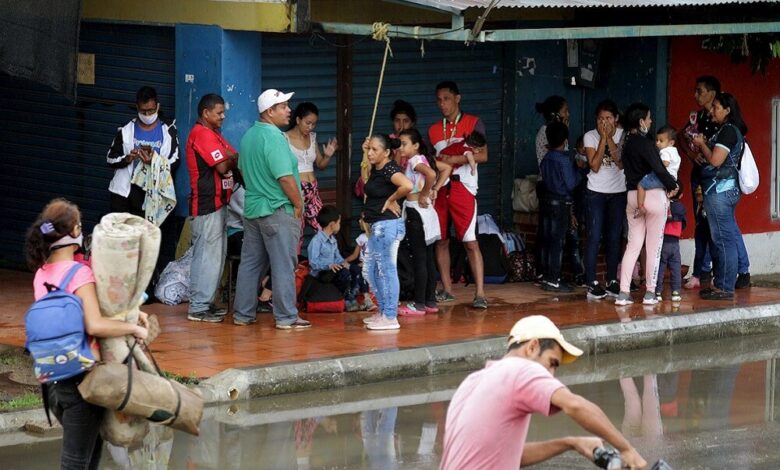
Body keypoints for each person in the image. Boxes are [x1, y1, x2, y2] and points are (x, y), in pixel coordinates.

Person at [25, 198, 149, 470]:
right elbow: (95, 325)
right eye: (80, 226)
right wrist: (133, 327)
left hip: (53, 381)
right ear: (73, 233)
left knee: (89, 457)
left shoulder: (41, 273)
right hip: (83, 380)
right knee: (76, 463)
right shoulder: (79, 273)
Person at [440, 315, 647, 470]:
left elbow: (508, 456)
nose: (552, 374)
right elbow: (575, 405)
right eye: (551, 362)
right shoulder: (521, 369)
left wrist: (571, 443)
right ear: (532, 347)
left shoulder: (473, 381)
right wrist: (626, 448)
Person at [233, 89, 309, 328]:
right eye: (283, 106)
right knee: (284, 264)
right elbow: (285, 177)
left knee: (250, 263)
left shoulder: (248, 136)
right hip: (277, 210)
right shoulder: (274, 138)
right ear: (270, 111)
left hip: (253, 209)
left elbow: (243, 171)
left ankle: (242, 314)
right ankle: (286, 317)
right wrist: (298, 204)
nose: (289, 110)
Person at [428, 81, 489, 309]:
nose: (442, 104)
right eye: (439, 99)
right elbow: (430, 161)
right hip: (441, 187)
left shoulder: (473, 122)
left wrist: (455, 160)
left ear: (457, 98)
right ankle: (447, 289)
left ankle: (480, 293)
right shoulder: (433, 129)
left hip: (464, 187)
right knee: (441, 240)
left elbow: (483, 156)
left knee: (470, 242)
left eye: (446, 98)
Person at [615, 103, 679, 306]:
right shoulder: (646, 144)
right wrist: (673, 185)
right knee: (653, 247)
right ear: (641, 121)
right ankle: (650, 292)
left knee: (632, 246)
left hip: (632, 196)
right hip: (653, 197)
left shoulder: (626, 145)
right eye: (649, 118)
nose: (651, 122)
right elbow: (659, 169)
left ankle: (623, 293)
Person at [185, 93, 238, 322]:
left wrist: (230, 157)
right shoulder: (202, 135)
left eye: (223, 112)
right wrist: (229, 158)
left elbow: (233, 155)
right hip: (207, 204)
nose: (223, 116)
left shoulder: (214, 135)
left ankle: (203, 303)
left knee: (214, 255)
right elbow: (224, 164)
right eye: (219, 113)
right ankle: (198, 307)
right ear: (205, 113)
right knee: (207, 256)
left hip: (218, 203)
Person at [693, 92, 748, 299]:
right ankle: (722, 284)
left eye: (716, 106)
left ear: (727, 110)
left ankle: (725, 287)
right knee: (724, 238)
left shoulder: (727, 132)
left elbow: (716, 161)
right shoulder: (727, 130)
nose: (712, 110)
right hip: (724, 191)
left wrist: (702, 145)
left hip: (720, 192)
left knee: (723, 239)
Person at [396, 128, 452, 316]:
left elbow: (431, 174)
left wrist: (428, 191)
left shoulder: (414, 161)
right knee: (428, 259)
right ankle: (429, 301)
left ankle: (418, 304)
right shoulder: (422, 158)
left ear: (416, 145)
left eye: (404, 144)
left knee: (420, 259)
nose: (401, 147)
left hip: (416, 213)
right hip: (426, 213)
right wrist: (433, 190)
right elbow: (443, 170)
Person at [361, 134, 412, 330]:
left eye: (375, 150)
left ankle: (390, 316)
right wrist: (363, 150)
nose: (370, 153)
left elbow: (407, 185)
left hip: (387, 226)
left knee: (386, 270)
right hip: (378, 226)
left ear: (387, 152)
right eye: (369, 149)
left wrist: (392, 200)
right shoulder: (377, 167)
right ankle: (383, 311)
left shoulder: (390, 168)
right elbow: (366, 167)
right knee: (371, 271)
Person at [107, 86, 179, 216]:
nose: (147, 115)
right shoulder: (126, 130)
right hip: (124, 193)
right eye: (143, 111)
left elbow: (175, 161)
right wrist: (127, 159)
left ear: (157, 106)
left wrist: (154, 161)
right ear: (137, 107)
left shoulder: (168, 131)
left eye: (150, 111)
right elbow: (110, 158)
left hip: (152, 194)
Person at [677, 76, 720, 289]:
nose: (696, 95)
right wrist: (692, 156)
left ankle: (713, 271)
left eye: (700, 91)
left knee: (715, 224)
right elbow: (680, 136)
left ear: (712, 94)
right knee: (701, 222)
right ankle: (700, 270)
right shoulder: (698, 117)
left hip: (716, 177)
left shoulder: (720, 120)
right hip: (699, 175)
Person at [582, 100, 627, 300]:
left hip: (618, 192)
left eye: (608, 118)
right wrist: (602, 138)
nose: (604, 122)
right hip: (595, 191)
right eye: (600, 118)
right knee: (593, 236)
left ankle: (612, 280)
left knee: (614, 237)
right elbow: (594, 166)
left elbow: (619, 162)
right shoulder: (590, 136)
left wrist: (609, 138)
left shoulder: (623, 134)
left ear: (616, 119)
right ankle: (591, 281)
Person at [539, 122, 581, 292]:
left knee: (548, 240)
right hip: (560, 204)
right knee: (557, 242)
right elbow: (571, 184)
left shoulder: (546, 158)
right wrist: (579, 171)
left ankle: (547, 277)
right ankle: (554, 280)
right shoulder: (563, 159)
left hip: (546, 202)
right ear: (565, 140)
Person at [284, 102, 338, 232]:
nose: (310, 127)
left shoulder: (313, 137)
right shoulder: (284, 138)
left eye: (313, 124)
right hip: (297, 189)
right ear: (298, 120)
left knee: (323, 228)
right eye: (307, 123)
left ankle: (326, 252)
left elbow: (320, 165)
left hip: (312, 189)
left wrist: (328, 155)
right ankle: (295, 253)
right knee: (297, 231)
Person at [535, 96, 570, 285]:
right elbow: (558, 159)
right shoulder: (548, 132)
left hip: (551, 185)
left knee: (550, 231)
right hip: (551, 186)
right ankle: (546, 272)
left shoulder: (553, 131)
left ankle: (548, 273)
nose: (568, 114)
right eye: (565, 110)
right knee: (550, 232)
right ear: (556, 113)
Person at [308, 205, 366, 312]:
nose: (339, 225)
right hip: (321, 273)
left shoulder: (333, 240)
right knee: (345, 274)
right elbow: (313, 262)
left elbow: (338, 258)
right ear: (332, 224)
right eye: (339, 223)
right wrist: (329, 265)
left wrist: (345, 263)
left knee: (355, 270)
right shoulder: (316, 241)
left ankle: (351, 297)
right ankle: (347, 299)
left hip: (333, 271)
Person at [635, 126, 681, 218]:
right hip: (672, 178)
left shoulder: (664, 151)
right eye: (657, 140)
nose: (657, 143)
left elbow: (665, 164)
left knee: (640, 185)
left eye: (661, 141)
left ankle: (640, 207)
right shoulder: (675, 152)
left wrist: (654, 162)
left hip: (662, 177)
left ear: (671, 142)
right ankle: (669, 211)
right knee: (667, 194)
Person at [655, 188, 686, 302]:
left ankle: (657, 292)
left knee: (660, 267)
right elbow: (684, 224)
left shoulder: (664, 205)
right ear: (681, 195)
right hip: (675, 242)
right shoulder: (681, 207)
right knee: (676, 268)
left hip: (663, 241)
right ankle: (676, 292)